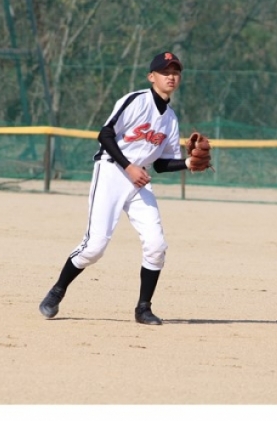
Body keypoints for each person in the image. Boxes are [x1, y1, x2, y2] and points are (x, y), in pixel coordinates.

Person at [39, 51, 198, 326]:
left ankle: (143, 309)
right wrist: (128, 166)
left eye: (175, 72)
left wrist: (187, 163)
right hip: (112, 171)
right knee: (95, 247)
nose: (171, 77)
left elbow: (161, 164)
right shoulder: (136, 100)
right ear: (151, 77)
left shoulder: (171, 119)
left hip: (139, 180)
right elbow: (105, 134)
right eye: (165, 72)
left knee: (156, 245)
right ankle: (57, 290)